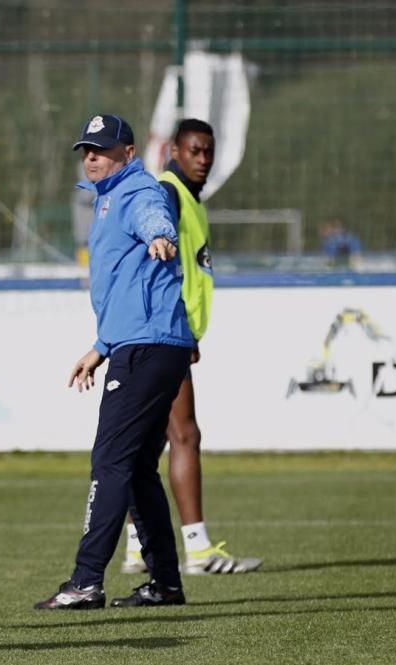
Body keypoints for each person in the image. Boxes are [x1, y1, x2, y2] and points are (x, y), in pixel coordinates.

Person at [34, 114, 194, 611]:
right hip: (147, 345)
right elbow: (128, 286)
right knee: (139, 470)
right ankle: (165, 583)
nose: (91, 157)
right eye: (87, 149)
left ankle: (86, 581)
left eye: (102, 150)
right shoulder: (106, 197)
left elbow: (154, 215)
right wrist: (101, 348)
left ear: (128, 154)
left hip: (147, 349)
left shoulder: (135, 191)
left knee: (111, 463)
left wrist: (160, 235)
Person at [117, 119, 263, 586]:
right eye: (195, 150)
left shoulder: (191, 200)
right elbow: (153, 262)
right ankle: (197, 547)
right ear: (174, 150)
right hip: (165, 334)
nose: (203, 159)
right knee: (185, 436)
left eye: (209, 152)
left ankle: (137, 547)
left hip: (172, 334)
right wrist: (178, 324)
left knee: (149, 444)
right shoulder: (169, 193)